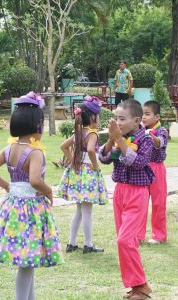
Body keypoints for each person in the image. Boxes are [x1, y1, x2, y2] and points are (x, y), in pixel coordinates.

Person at [0, 92, 64, 300]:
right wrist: (49, 190)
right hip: (30, 211)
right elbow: (36, 181)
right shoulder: (35, 152)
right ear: (38, 125)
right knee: (26, 264)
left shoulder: (10, 148)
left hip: (12, 208)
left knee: (28, 262)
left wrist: (7, 186)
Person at [99, 99, 154, 300]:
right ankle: (135, 286)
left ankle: (142, 287)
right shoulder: (118, 136)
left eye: (122, 119)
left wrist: (119, 141)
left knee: (125, 240)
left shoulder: (145, 140)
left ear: (136, 120)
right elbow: (104, 158)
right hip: (120, 191)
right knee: (124, 241)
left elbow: (138, 163)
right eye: (116, 118)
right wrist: (111, 140)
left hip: (138, 192)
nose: (118, 122)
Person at [58, 95, 108, 254]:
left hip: (77, 172)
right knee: (87, 211)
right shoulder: (92, 133)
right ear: (93, 117)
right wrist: (95, 166)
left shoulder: (79, 132)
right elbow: (92, 150)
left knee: (79, 210)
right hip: (87, 172)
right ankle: (88, 244)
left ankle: (72, 243)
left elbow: (64, 146)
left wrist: (73, 161)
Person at [138, 100, 169, 244]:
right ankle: (137, 235)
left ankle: (159, 235)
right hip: (142, 168)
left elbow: (160, 142)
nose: (143, 117)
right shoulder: (139, 129)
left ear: (157, 117)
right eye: (142, 114)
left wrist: (153, 137)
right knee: (139, 203)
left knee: (158, 203)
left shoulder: (161, 130)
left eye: (147, 114)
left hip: (157, 168)